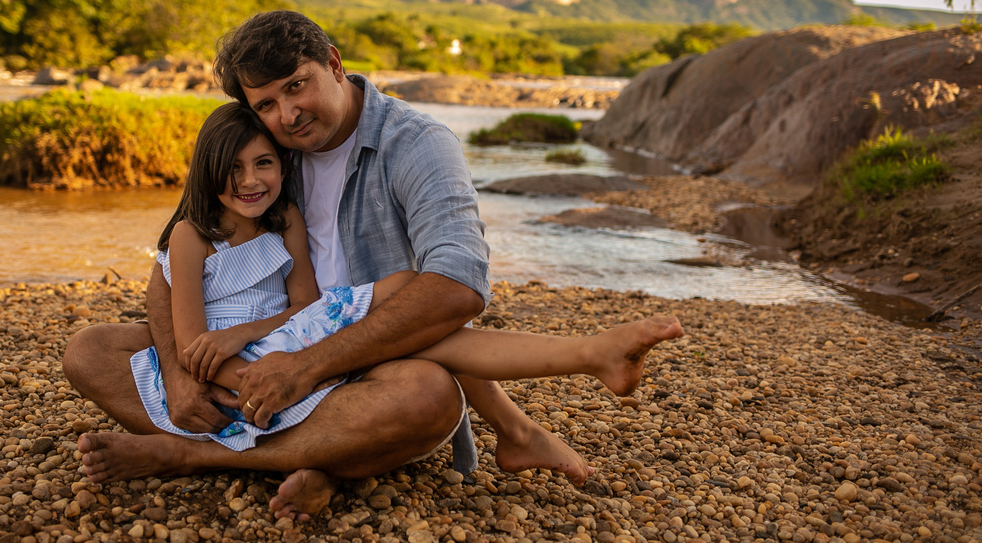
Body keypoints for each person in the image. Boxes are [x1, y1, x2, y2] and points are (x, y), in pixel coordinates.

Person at [64, 10, 683, 520]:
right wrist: (179, 374)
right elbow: (171, 263)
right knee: (91, 350)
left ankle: (193, 455)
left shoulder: (417, 144)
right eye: (268, 103)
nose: (288, 114)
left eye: (298, 86)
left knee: (427, 398)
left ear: (334, 63)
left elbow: (459, 286)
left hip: (369, 358)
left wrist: (304, 367)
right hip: (261, 354)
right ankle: (325, 462)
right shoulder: (266, 151)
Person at [127, 101, 683, 460]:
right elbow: (187, 332)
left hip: (299, 337)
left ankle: (567, 379)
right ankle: (575, 367)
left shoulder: (293, 208)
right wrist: (226, 369)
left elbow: (308, 304)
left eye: (263, 163)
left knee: (413, 295)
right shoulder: (196, 232)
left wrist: (264, 341)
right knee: (92, 349)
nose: (250, 180)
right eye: (233, 168)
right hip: (250, 367)